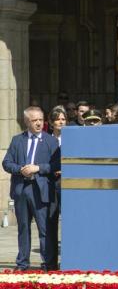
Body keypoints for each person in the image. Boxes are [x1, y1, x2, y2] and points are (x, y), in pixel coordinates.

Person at [2, 106, 60, 270]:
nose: (39, 123)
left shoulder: (51, 141)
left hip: (41, 190)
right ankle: (22, 263)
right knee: (23, 228)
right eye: (34, 120)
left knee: (45, 229)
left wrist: (38, 168)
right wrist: (21, 169)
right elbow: (6, 163)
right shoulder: (17, 140)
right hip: (21, 189)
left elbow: (56, 164)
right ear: (27, 122)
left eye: (41, 120)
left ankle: (48, 264)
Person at [46, 106, 65, 270]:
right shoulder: (45, 139)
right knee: (51, 223)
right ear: (51, 122)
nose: (61, 121)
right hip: (51, 184)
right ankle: (51, 263)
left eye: (63, 119)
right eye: (58, 119)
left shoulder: (72, 138)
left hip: (68, 185)